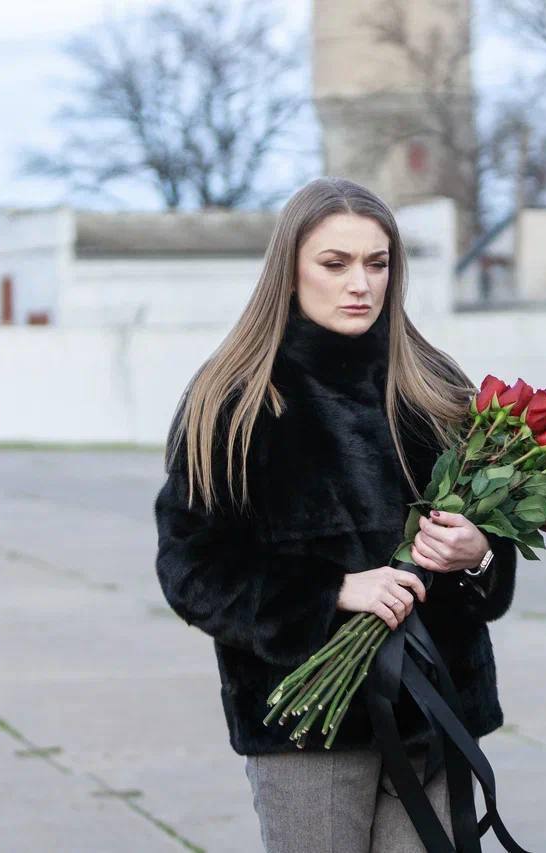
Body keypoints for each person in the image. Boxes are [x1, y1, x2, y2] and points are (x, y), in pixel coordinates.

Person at [154, 177, 517, 852]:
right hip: (306, 720)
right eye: (335, 263)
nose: (360, 283)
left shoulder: (437, 388)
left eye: (376, 263)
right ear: (289, 269)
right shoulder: (232, 400)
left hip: (437, 714)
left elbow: (491, 555)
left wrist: (481, 553)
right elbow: (191, 567)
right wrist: (331, 592)